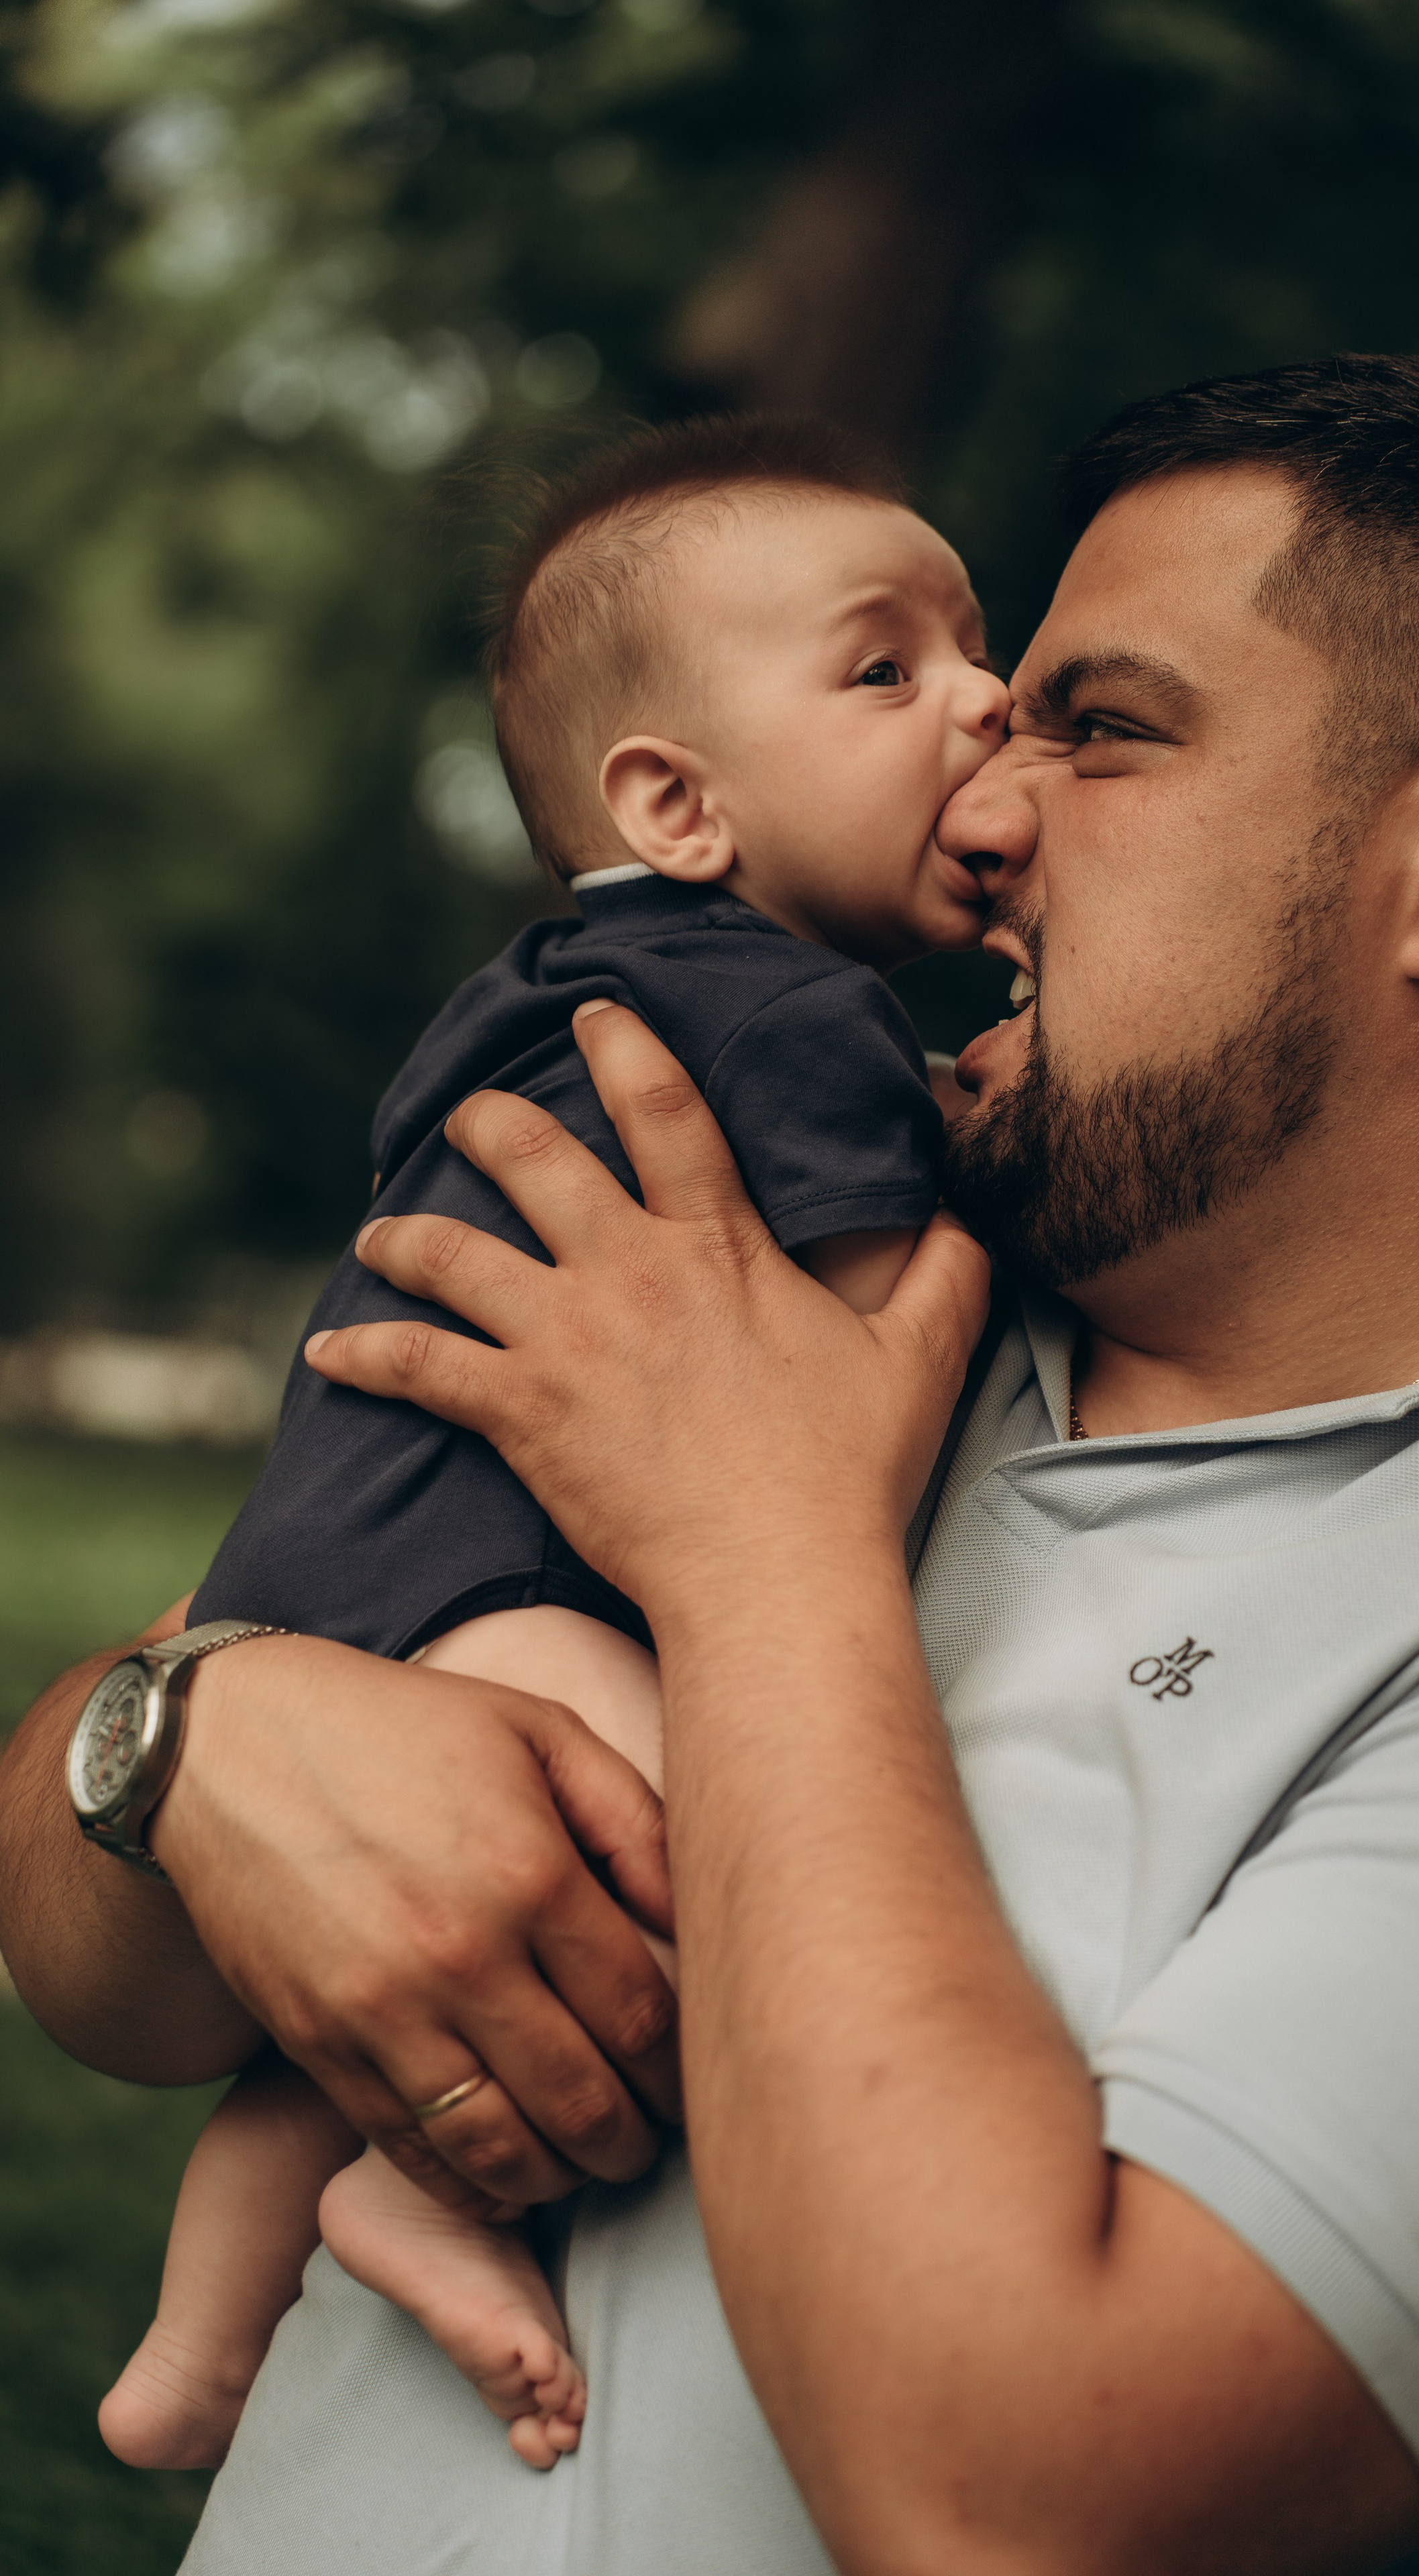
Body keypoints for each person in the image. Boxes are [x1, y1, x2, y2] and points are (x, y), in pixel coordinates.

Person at [4, 352, 1419, 2576]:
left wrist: (763, 1552)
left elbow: (1022, 2501)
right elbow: (85, 1942)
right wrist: (194, 1742)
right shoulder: (823, 1286)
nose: (986, 808)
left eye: (1097, 731)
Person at [87, 410, 1010, 2473]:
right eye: (889, 669)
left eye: (984, 651)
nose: (986, 699)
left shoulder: (532, 990)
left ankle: (200, 2343)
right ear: (676, 801)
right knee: (701, 1852)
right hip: (503, 1587)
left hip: (319, 1565)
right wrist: (979, 1207)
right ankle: (423, 2190)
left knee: (346, 1983)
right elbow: (841, 1359)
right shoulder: (802, 1019)